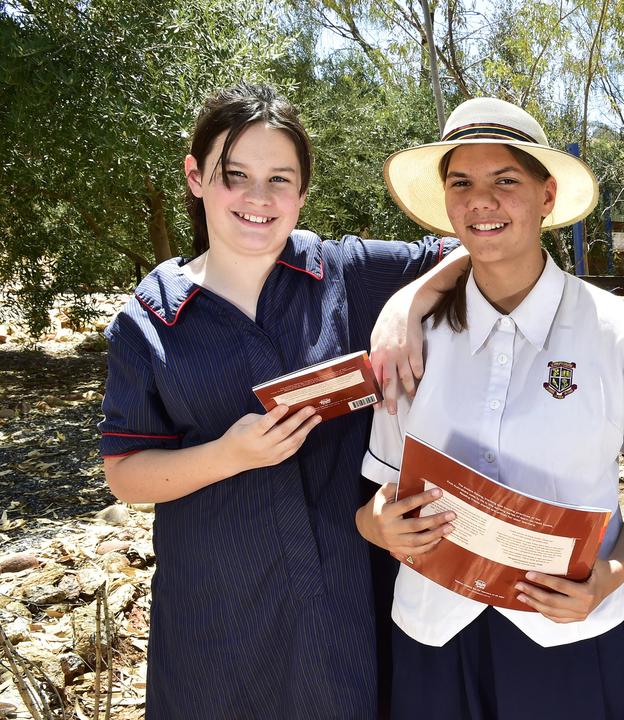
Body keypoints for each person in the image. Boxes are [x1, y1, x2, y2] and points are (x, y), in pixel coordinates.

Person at [98, 83, 467, 718]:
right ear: (195, 177)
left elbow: (474, 247)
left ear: (302, 191)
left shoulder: (346, 274)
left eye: (279, 179)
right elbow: (126, 475)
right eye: (234, 176)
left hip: (341, 602)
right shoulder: (151, 320)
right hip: (214, 618)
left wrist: (407, 303)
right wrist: (229, 454)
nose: (257, 199)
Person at [356, 97, 624, 720]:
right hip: (435, 629)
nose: (482, 201)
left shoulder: (615, 332)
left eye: (506, 181)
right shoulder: (412, 341)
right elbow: (381, 485)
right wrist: (376, 524)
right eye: (463, 184)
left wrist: (610, 574)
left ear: (547, 196)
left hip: (569, 633)